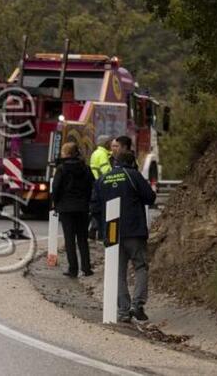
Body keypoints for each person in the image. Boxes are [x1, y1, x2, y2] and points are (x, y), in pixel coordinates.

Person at [92, 137, 157, 322]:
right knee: (141, 266)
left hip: (112, 232)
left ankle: (123, 311)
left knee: (117, 271)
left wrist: (102, 226)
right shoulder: (133, 175)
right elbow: (150, 198)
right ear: (132, 163)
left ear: (115, 162)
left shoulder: (103, 179)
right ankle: (137, 305)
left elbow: (95, 206)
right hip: (134, 230)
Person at [51, 142, 94, 277]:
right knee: (82, 238)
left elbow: (56, 188)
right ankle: (86, 268)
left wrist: (55, 203)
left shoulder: (62, 169)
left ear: (67, 153)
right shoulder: (86, 168)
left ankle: (73, 269)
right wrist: (87, 201)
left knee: (69, 239)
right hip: (82, 207)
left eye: (63, 152)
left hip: (66, 208)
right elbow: (92, 186)